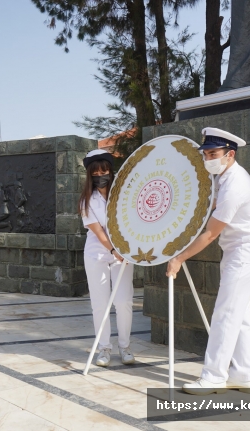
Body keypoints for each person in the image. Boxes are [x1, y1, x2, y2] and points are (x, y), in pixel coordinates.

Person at [166, 128, 250, 396]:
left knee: (225, 314)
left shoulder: (235, 185)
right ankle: (244, 375)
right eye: (206, 154)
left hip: (245, 254)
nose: (207, 158)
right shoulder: (224, 176)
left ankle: (213, 377)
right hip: (238, 251)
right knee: (239, 315)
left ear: (229, 154)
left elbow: (210, 234)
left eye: (213, 154)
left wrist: (179, 258)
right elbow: (208, 207)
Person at [79, 149, 136, 367]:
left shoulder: (123, 194)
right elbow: (98, 231)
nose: (101, 175)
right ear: (90, 175)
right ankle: (104, 349)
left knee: (123, 301)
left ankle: (125, 346)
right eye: (96, 173)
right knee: (100, 304)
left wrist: (128, 250)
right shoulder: (86, 201)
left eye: (104, 171)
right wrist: (113, 251)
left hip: (124, 254)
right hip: (97, 254)